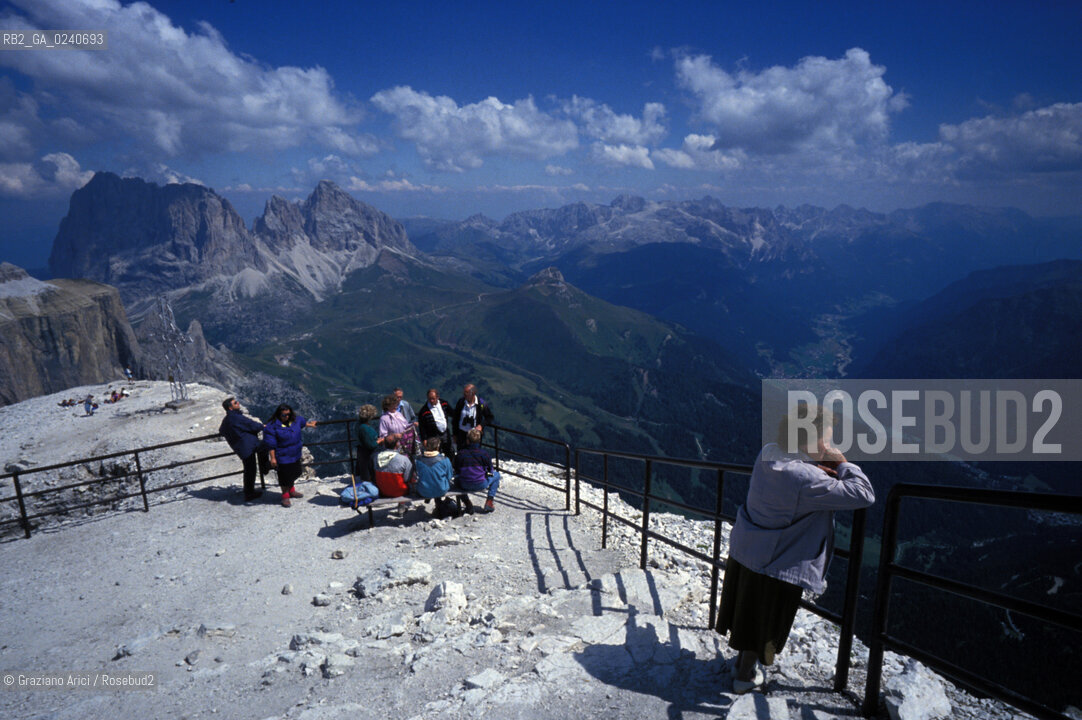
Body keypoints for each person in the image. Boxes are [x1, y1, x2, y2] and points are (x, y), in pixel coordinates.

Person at [716, 405, 875, 694]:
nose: (828, 446)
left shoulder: (769, 453)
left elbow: (796, 476)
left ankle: (740, 663)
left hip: (747, 548)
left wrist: (815, 466)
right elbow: (864, 493)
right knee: (764, 618)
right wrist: (841, 463)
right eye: (825, 439)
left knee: (747, 607)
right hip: (777, 560)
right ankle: (744, 676)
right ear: (807, 439)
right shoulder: (806, 478)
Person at [263, 403, 318, 507]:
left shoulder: (295, 420)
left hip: (295, 453)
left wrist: (310, 424)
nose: (286, 417)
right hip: (283, 455)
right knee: (284, 476)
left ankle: (292, 490)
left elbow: (303, 422)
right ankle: (285, 496)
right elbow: (271, 444)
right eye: (284, 415)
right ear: (279, 415)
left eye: (288, 414)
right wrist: (273, 458)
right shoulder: (272, 426)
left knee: (295, 472)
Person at [218, 396, 267, 502]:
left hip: (241, 447)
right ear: (230, 408)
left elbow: (222, 430)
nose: (238, 403)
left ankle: (249, 491)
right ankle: (250, 492)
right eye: (235, 403)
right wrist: (262, 426)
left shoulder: (227, 419)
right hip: (248, 446)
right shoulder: (237, 417)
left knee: (249, 469)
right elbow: (253, 425)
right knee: (252, 468)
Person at [454, 426, 499, 513]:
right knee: (497, 475)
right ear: (479, 441)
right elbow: (491, 471)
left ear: (467, 440)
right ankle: (489, 501)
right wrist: (485, 473)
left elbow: (457, 470)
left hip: (464, 484)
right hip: (481, 483)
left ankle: (467, 503)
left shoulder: (460, 454)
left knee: (456, 480)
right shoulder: (484, 454)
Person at [452, 383, 494, 451]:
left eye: (467, 392)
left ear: (473, 393)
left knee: (474, 454)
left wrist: (481, 425)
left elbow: (490, 417)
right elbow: (455, 418)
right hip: (461, 434)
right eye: (464, 392)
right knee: (461, 453)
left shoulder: (481, 403)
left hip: (474, 436)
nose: (464, 394)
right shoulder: (461, 402)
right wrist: (454, 434)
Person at [418, 388, 455, 462]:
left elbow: (453, 413)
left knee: (449, 451)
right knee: (435, 453)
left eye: (433, 399)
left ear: (437, 397)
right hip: (433, 435)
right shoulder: (424, 411)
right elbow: (422, 427)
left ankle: (450, 467)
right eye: (429, 399)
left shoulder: (444, 404)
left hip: (445, 433)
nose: (431, 401)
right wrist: (424, 439)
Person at [354, 404, 384, 485]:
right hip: (368, 454)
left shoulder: (359, 424)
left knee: (364, 473)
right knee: (369, 475)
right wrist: (379, 441)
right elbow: (370, 445)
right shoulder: (364, 428)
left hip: (361, 452)